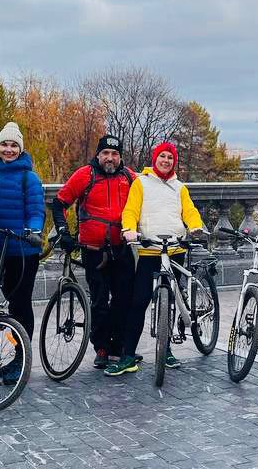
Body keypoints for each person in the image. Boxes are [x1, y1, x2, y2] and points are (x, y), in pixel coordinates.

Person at [107, 142, 209, 377]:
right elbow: (131, 210)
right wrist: (129, 230)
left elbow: (190, 211)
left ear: (174, 162)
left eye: (170, 158)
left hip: (174, 250)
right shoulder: (141, 183)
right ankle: (128, 356)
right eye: (162, 156)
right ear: (155, 159)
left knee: (170, 301)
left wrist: (194, 227)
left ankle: (167, 349)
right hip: (149, 249)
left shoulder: (179, 187)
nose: (166, 161)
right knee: (139, 302)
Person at [50, 135, 137, 370]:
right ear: (98, 155)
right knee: (99, 301)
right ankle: (101, 347)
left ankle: (118, 345)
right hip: (94, 250)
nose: (110, 158)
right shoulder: (84, 175)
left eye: (115, 154)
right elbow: (59, 204)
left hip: (122, 249)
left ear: (120, 157)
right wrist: (63, 232)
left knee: (124, 299)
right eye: (106, 153)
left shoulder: (129, 177)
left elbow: (148, 199)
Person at [0, 122, 45, 384]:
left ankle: (22, 357)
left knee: (20, 302)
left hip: (22, 249)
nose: (9, 149)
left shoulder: (28, 178)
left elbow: (36, 210)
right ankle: (16, 340)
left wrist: (34, 229)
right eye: (5, 145)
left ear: (20, 149)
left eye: (13, 145)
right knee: (6, 297)